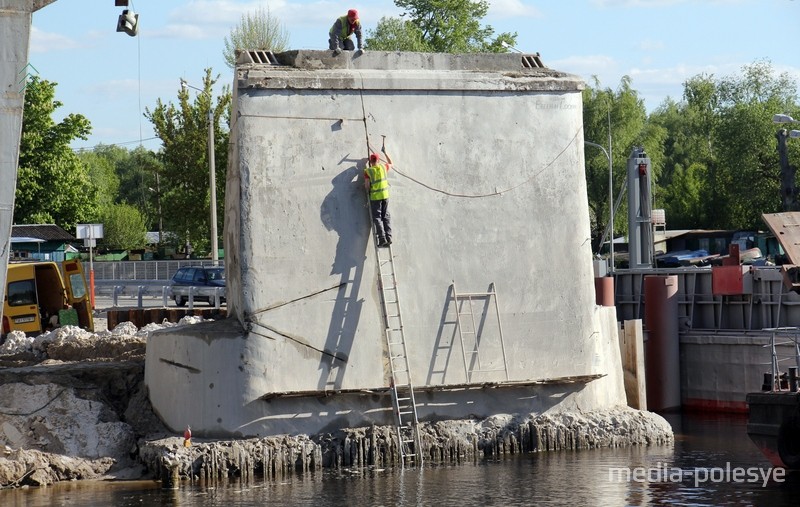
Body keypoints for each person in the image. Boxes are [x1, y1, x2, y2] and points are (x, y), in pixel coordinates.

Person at [364, 149, 393, 247]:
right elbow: (391, 163)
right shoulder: (383, 167)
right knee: (386, 216)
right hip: (385, 196)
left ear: (370, 162)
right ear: (378, 160)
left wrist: (367, 191)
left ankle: (382, 239)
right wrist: (385, 153)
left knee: (377, 217)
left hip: (375, 197)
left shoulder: (368, 171)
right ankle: (389, 237)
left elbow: (367, 186)